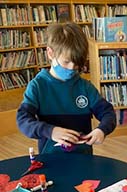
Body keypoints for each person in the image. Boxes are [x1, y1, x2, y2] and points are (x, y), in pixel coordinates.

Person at [17, 22, 116, 154]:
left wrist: (102, 129)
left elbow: (108, 113)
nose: (71, 68)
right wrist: (50, 131)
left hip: (83, 158)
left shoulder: (85, 87)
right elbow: (23, 119)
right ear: (50, 53)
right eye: (66, 61)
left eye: (76, 64)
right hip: (50, 159)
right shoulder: (38, 86)